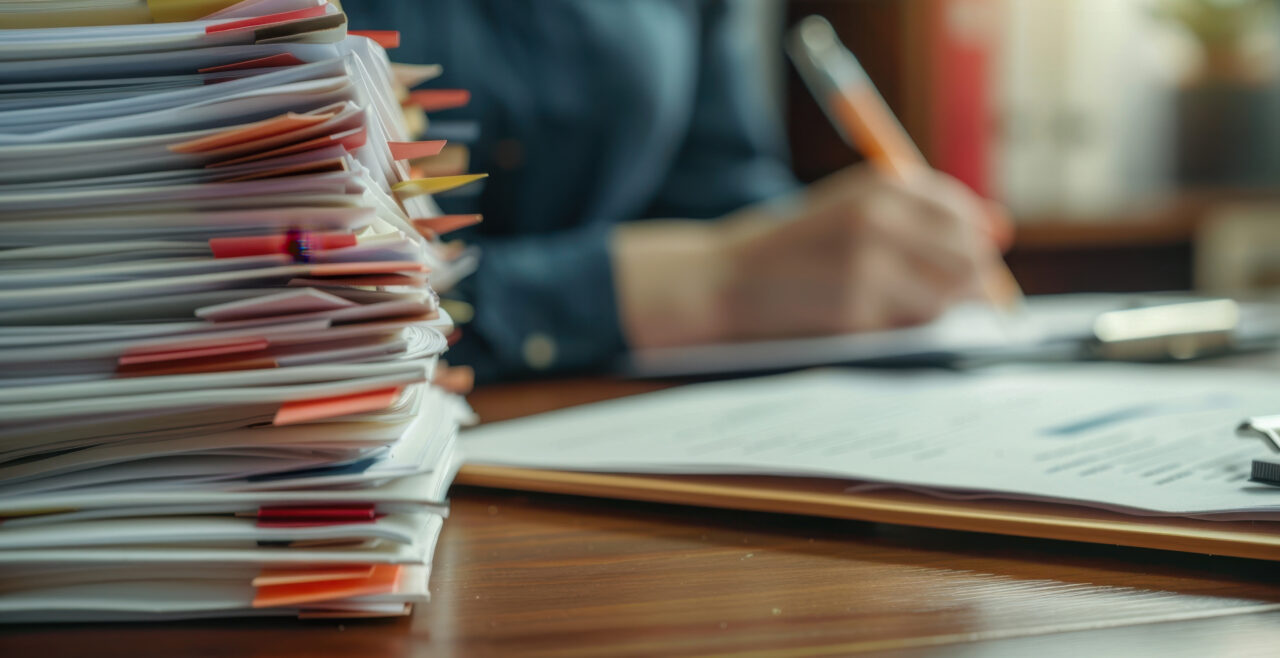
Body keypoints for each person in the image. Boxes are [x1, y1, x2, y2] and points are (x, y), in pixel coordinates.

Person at [344, 1, 1010, 382]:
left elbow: (723, 202)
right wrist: (678, 285)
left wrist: (844, 262)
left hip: (620, 443)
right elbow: (276, 299)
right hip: (334, 470)